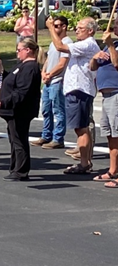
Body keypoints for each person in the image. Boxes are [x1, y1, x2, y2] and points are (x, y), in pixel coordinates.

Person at [47, 16, 100, 174]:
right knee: (80, 128)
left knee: (81, 128)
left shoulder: (88, 44)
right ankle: (85, 160)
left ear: (90, 31)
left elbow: (60, 46)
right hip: (75, 89)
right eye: (76, 27)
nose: (76, 29)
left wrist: (50, 27)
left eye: (80, 28)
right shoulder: (81, 44)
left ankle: (84, 163)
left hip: (80, 90)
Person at [0, 38, 42, 180]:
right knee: (14, 140)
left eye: (19, 49)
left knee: (19, 140)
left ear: (28, 50)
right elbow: (10, 79)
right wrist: (1, 69)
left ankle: (21, 170)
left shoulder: (30, 67)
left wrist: (4, 102)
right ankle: (15, 167)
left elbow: (22, 91)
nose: (17, 52)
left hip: (20, 110)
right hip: (13, 110)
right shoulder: (21, 66)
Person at [33, 16, 72, 149]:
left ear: (64, 26)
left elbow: (62, 64)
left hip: (58, 81)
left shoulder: (67, 43)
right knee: (46, 110)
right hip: (48, 81)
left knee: (58, 111)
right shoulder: (53, 43)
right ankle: (46, 135)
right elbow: (49, 60)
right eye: (53, 26)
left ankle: (58, 138)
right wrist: (44, 72)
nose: (54, 28)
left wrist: (50, 75)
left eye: (56, 26)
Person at [91, 32, 118, 187]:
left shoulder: (112, 46)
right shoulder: (112, 45)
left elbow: (116, 63)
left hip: (116, 93)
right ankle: (113, 169)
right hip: (106, 95)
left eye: (116, 24)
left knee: (117, 132)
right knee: (110, 135)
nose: (114, 27)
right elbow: (93, 66)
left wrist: (110, 45)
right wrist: (95, 57)